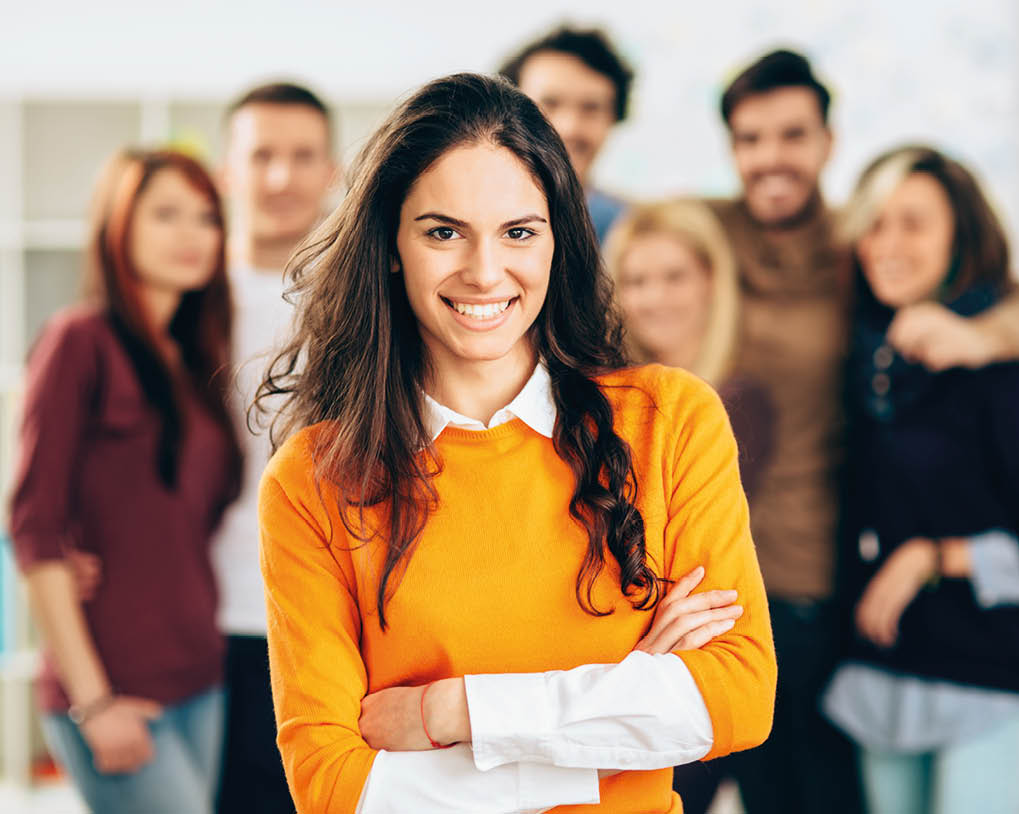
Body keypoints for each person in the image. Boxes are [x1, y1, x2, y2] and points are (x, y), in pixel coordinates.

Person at [254, 73, 777, 814]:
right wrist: (616, 723)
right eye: (442, 231)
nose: (484, 271)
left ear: (557, 240)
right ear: (391, 245)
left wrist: (454, 712)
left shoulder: (669, 421)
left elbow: (736, 697)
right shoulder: (313, 479)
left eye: (519, 232)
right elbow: (335, 787)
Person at [680, 49, 1019, 814]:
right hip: (712, 585)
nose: (770, 157)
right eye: (749, 138)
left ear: (827, 142)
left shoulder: (857, 245)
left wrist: (980, 336)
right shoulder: (703, 238)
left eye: (791, 134)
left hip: (824, 592)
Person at [822, 145, 1019, 813]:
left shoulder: (1005, 380)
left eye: (913, 223)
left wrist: (932, 558)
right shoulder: (864, 369)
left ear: (959, 240)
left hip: (983, 677)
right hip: (879, 672)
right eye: (874, 223)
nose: (886, 244)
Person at [8, 149, 242, 814]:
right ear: (117, 226)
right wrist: (96, 703)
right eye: (165, 214)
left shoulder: (196, 358)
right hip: (114, 689)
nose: (191, 235)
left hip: (201, 674)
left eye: (206, 217)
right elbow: (34, 526)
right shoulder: (78, 339)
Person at [212, 80, 337, 814]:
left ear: (333, 172)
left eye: (302, 156)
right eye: (262, 156)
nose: (282, 177)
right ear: (227, 170)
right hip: (210, 623)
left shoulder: (369, 301)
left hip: (329, 620)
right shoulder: (183, 296)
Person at [605, 198, 776, 497]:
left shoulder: (740, 404)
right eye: (637, 281)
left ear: (710, 280)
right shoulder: (608, 396)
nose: (655, 298)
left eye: (675, 277)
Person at [499, 25, 633, 242]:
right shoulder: (458, 214)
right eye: (550, 103)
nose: (569, 127)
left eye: (591, 108)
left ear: (614, 118)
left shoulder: (631, 230)